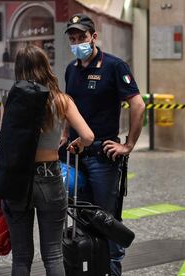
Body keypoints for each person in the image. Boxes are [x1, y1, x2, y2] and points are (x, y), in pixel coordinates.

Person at [63, 14, 145, 276]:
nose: (77, 43)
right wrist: (65, 135)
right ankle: (91, 269)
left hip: (103, 158)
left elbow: (138, 104)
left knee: (106, 220)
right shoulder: (71, 70)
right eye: (73, 39)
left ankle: (113, 270)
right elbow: (69, 107)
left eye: (82, 38)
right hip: (77, 155)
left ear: (94, 37)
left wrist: (129, 144)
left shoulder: (114, 66)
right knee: (83, 220)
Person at [1, 45, 94, 276]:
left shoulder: (9, 99)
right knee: (53, 254)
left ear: (19, 69)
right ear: (46, 67)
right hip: (50, 177)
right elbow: (88, 136)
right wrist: (78, 144)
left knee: (21, 257)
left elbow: (3, 141)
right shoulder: (62, 101)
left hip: (16, 180)